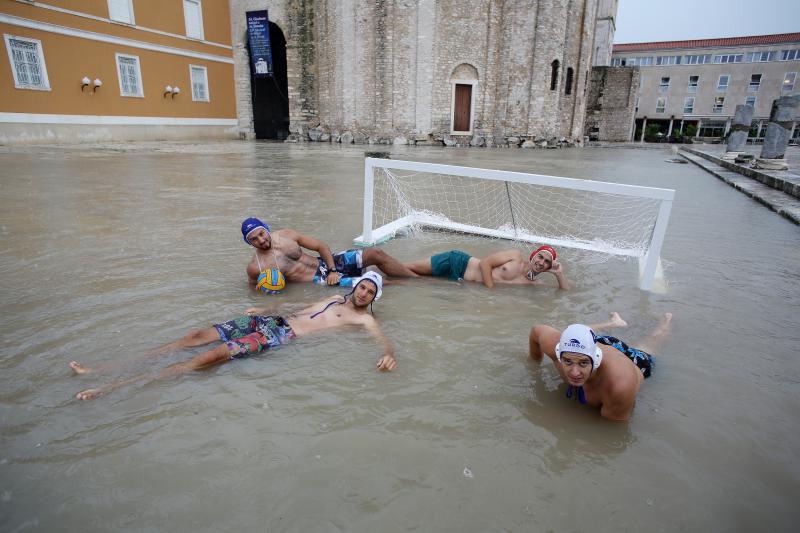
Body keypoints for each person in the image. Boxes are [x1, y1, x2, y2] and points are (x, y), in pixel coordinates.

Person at [71, 272, 396, 400]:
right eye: (363, 286)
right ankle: (100, 369)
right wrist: (266, 308)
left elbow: (382, 341)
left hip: (281, 335)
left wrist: (388, 354)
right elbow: (299, 304)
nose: (364, 292)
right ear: (356, 286)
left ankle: (109, 389)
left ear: (374, 298)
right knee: (195, 336)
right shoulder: (332, 299)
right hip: (272, 319)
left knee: (209, 357)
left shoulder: (363, 321)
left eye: (370, 291)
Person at [527, 312, 672, 421]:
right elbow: (536, 331)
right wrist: (534, 366)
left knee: (647, 347)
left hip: (633, 362)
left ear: (595, 360)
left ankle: (666, 322)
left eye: (583, 363)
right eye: (568, 362)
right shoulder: (554, 346)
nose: (574, 373)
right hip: (602, 343)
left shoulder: (619, 387)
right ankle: (614, 323)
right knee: (570, 331)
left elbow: (611, 431)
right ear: (559, 355)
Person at [241, 217, 417, 287]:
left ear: (265, 228)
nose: (261, 240)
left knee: (376, 253)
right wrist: (269, 289)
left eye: (261, 234)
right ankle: (412, 287)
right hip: (319, 280)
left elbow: (321, 246)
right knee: (370, 283)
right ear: (249, 242)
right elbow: (255, 288)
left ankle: (415, 279)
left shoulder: (287, 235)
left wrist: (332, 269)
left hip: (327, 264)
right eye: (254, 239)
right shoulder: (256, 267)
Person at [403, 245, 569, 289]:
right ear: (533, 256)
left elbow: (563, 292)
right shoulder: (515, 256)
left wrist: (559, 273)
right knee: (407, 268)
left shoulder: (530, 284)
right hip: (458, 262)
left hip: (459, 281)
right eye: (540, 257)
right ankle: (378, 272)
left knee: (410, 278)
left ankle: (381, 279)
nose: (542, 262)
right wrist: (490, 291)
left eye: (547, 262)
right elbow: (485, 263)